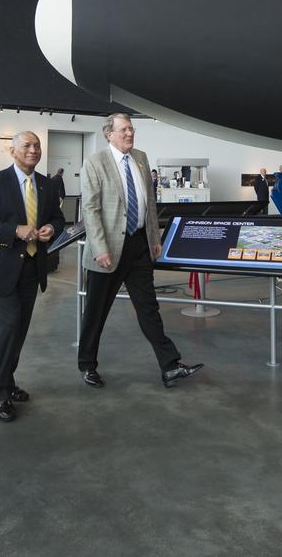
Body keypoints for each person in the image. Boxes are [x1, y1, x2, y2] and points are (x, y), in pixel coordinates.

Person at [78, 113, 202, 388]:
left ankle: (169, 365)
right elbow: (91, 209)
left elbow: (151, 203)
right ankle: (87, 365)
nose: (130, 134)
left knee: (148, 308)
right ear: (109, 134)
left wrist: (154, 238)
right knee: (96, 311)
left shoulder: (141, 158)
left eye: (131, 129)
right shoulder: (95, 162)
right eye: (123, 130)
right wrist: (99, 248)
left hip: (138, 246)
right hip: (107, 249)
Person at [0, 132, 65, 422]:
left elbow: (59, 219)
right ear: (12, 151)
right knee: (9, 323)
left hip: (31, 269)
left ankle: (8, 383)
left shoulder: (47, 185)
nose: (33, 150)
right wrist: (15, 230)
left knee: (19, 329)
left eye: (37, 146)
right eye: (27, 146)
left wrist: (51, 227)